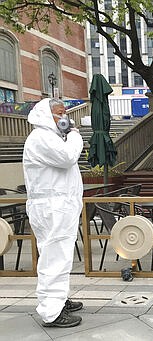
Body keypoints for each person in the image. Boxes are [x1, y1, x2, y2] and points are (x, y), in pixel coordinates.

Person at [23, 98, 84, 328]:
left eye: (65, 112)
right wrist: (76, 135)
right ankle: (51, 311)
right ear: (46, 115)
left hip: (57, 208)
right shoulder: (41, 138)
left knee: (60, 257)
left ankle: (59, 300)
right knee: (54, 259)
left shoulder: (52, 138)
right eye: (60, 113)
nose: (64, 117)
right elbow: (68, 157)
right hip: (52, 209)